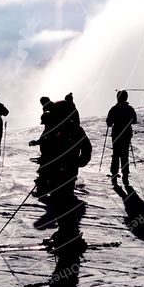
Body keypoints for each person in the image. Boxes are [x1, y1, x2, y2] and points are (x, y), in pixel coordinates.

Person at [38, 99, 92, 251]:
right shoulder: (69, 128)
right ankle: (66, 232)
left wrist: (80, 161)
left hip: (64, 171)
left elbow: (86, 147)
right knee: (61, 200)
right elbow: (47, 148)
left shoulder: (68, 128)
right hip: (62, 171)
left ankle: (70, 234)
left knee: (63, 201)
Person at [106, 90, 137, 183]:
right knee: (125, 154)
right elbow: (134, 120)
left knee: (116, 154)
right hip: (127, 134)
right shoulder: (130, 109)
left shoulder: (114, 109)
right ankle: (125, 174)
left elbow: (109, 123)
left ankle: (114, 173)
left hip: (116, 133)